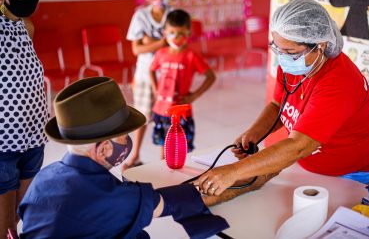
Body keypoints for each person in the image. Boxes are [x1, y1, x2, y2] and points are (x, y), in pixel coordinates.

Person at [195, 0, 369, 211]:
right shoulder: (295, 63)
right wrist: (255, 132)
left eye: (290, 53)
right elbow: (277, 105)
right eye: (278, 49)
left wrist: (233, 171)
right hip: (312, 170)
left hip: (358, 176)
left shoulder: (340, 82)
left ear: (321, 46)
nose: (283, 58)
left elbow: (299, 145)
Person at [17, 77, 269, 238]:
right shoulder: (107, 197)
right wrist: (248, 180)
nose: (127, 142)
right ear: (104, 148)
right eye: (122, 137)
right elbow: (174, 201)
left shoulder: (44, 178)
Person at [0, 0, 47, 237]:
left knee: (21, 218)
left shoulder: (26, 27)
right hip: (3, 143)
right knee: (5, 227)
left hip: (33, 138)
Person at [150, 9, 216, 158]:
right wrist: (155, 89)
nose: (176, 37)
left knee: (180, 150)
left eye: (181, 33)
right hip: (161, 111)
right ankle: (163, 174)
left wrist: (194, 96)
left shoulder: (191, 56)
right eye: (172, 32)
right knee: (163, 148)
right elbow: (151, 70)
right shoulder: (161, 53)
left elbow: (211, 76)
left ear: (188, 33)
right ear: (165, 32)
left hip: (181, 113)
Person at [124, 0, 172, 169]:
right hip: (145, 73)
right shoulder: (140, 15)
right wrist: (161, 42)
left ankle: (163, 159)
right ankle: (135, 155)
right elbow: (136, 49)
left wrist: (147, 40)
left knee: (166, 118)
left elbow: (176, 42)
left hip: (168, 75)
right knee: (142, 116)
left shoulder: (172, 14)